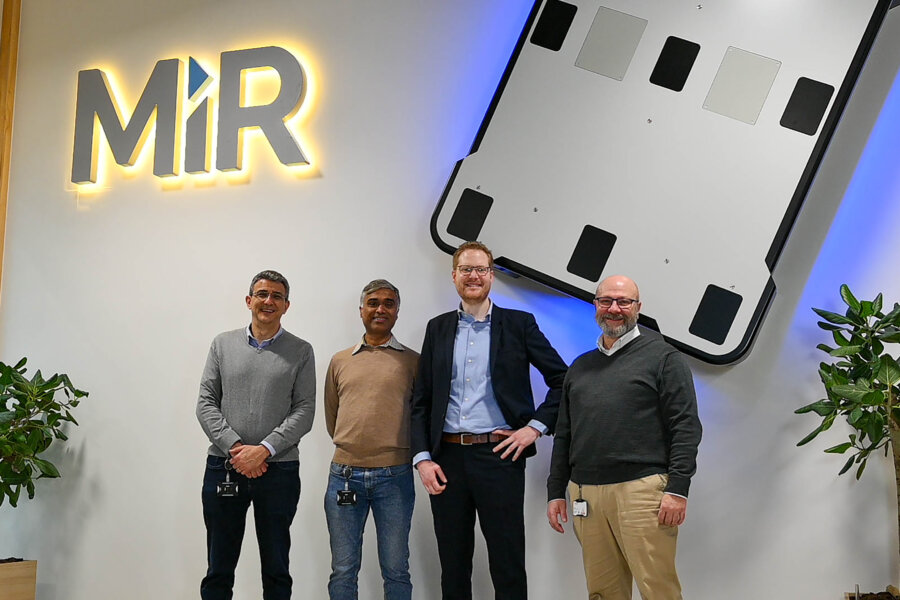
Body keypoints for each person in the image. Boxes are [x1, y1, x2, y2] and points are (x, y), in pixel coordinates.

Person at [411, 241, 568, 600]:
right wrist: (422, 459)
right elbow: (421, 399)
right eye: (466, 269)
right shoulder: (437, 328)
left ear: (491, 276)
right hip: (446, 460)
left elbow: (563, 379)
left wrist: (534, 429)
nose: (473, 276)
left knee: (507, 560)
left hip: (499, 457)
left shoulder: (519, 324)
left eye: (481, 269)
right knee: (453, 564)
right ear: (454, 276)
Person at [546, 275, 701, 600]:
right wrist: (555, 492)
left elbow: (685, 426)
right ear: (595, 305)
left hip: (642, 493)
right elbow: (565, 433)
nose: (614, 308)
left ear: (638, 307)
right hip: (585, 495)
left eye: (624, 302)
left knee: (658, 591)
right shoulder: (580, 367)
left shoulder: (664, 359)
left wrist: (678, 489)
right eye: (606, 301)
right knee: (602, 593)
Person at [197, 270, 316, 600]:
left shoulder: (301, 351)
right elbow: (205, 402)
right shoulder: (222, 345)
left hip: (279, 470)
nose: (268, 301)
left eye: (277, 296)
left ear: (286, 306)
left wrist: (263, 450)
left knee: (277, 569)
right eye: (262, 294)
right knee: (219, 568)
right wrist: (237, 449)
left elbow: (305, 410)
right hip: (225, 466)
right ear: (249, 301)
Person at [323, 279, 420, 600]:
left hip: (395, 478)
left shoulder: (413, 362)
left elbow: (420, 415)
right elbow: (332, 416)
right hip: (344, 476)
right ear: (361, 310)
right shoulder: (340, 361)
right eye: (373, 303)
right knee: (343, 569)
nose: (381, 309)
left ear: (397, 312)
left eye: (389, 303)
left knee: (396, 569)